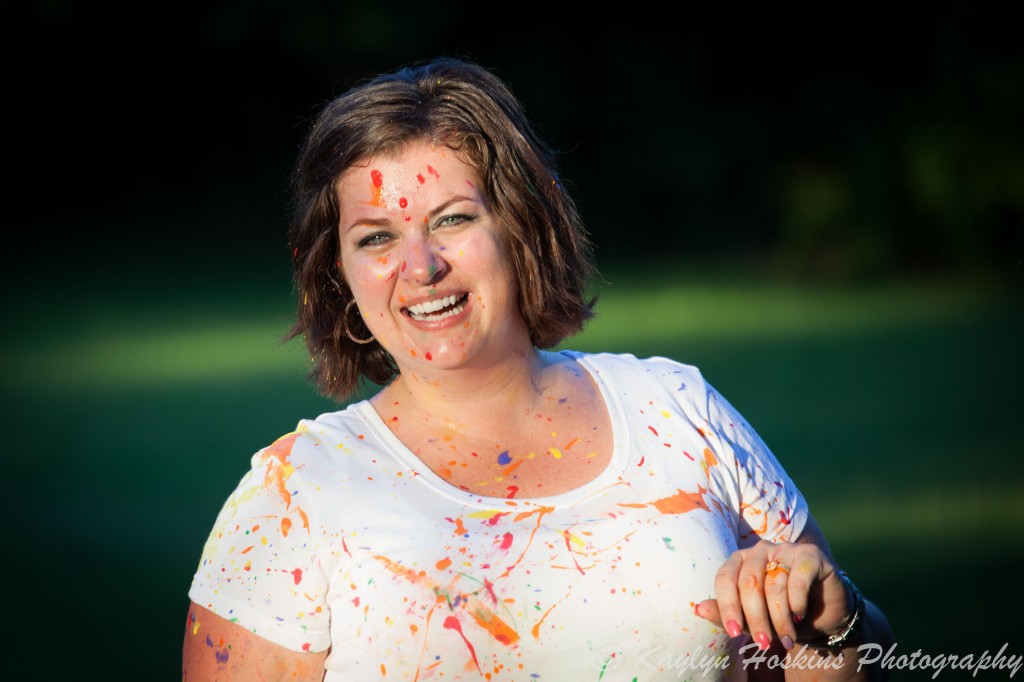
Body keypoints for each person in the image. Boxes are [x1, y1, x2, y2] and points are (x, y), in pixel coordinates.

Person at [183, 57, 893, 681]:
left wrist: (836, 621)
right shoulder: (295, 494)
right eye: (377, 236)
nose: (421, 267)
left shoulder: (676, 410)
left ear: (524, 222)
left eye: (453, 219)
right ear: (336, 270)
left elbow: (856, 652)